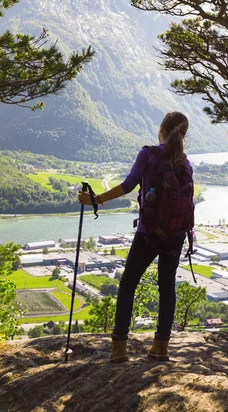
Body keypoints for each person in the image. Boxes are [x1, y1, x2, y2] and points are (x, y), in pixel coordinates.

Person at [78, 111, 193, 363]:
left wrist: (96, 200)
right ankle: (161, 346)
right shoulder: (185, 162)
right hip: (176, 235)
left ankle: (119, 347)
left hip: (149, 233)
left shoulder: (149, 154)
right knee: (167, 287)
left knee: (129, 283)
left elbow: (129, 185)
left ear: (161, 129)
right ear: (183, 135)